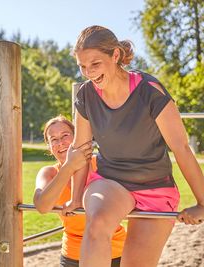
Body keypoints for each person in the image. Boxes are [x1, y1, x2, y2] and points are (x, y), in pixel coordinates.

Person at [63, 25, 204, 267]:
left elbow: (181, 148)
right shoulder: (86, 95)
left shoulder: (149, 90)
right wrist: (76, 198)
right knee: (96, 224)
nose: (88, 73)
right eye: (82, 66)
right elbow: (81, 151)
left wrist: (203, 203)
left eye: (95, 64)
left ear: (115, 55)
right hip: (111, 182)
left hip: (155, 187)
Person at [34, 115, 126, 267]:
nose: (61, 143)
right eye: (54, 139)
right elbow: (42, 206)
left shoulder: (100, 164)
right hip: (73, 254)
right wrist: (69, 166)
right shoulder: (49, 173)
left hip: (114, 249)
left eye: (65, 136)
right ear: (50, 147)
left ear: (77, 137)